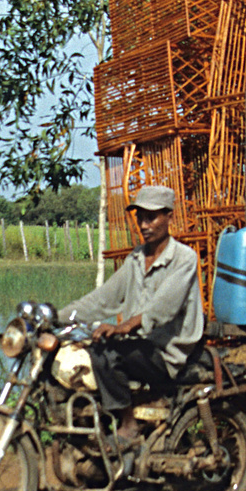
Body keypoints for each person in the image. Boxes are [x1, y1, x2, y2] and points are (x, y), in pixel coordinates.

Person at [58, 184, 203, 442]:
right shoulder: (135, 259)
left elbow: (164, 307)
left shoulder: (185, 258)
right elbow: (103, 299)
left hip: (167, 354)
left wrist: (123, 327)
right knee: (87, 350)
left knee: (107, 353)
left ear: (169, 216)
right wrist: (56, 316)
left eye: (152, 217)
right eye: (140, 217)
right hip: (139, 347)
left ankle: (128, 424)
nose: (144, 225)